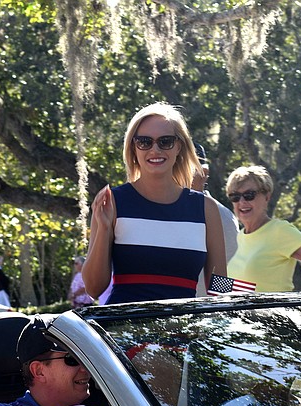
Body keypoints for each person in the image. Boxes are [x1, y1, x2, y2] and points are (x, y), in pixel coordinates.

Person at [82, 102, 227, 304]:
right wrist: (104, 229)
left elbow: (220, 285)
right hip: (121, 331)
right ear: (133, 148)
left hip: (182, 332)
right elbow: (93, 289)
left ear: (179, 146)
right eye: (144, 142)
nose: (155, 149)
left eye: (165, 141)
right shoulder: (112, 202)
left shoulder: (206, 208)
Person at [226, 165, 301, 292]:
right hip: (240, 311)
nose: (242, 202)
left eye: (249, 195)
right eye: (235, 196)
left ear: (267, 196)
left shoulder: (279, 230)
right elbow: (243, 288)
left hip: (273, 312)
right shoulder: (241, 236)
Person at [192, 142, 239, 296]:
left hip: (201, 313)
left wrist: (216, 312)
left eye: (190, 169)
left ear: (204, 173)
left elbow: (224, 277)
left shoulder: (222, 217)